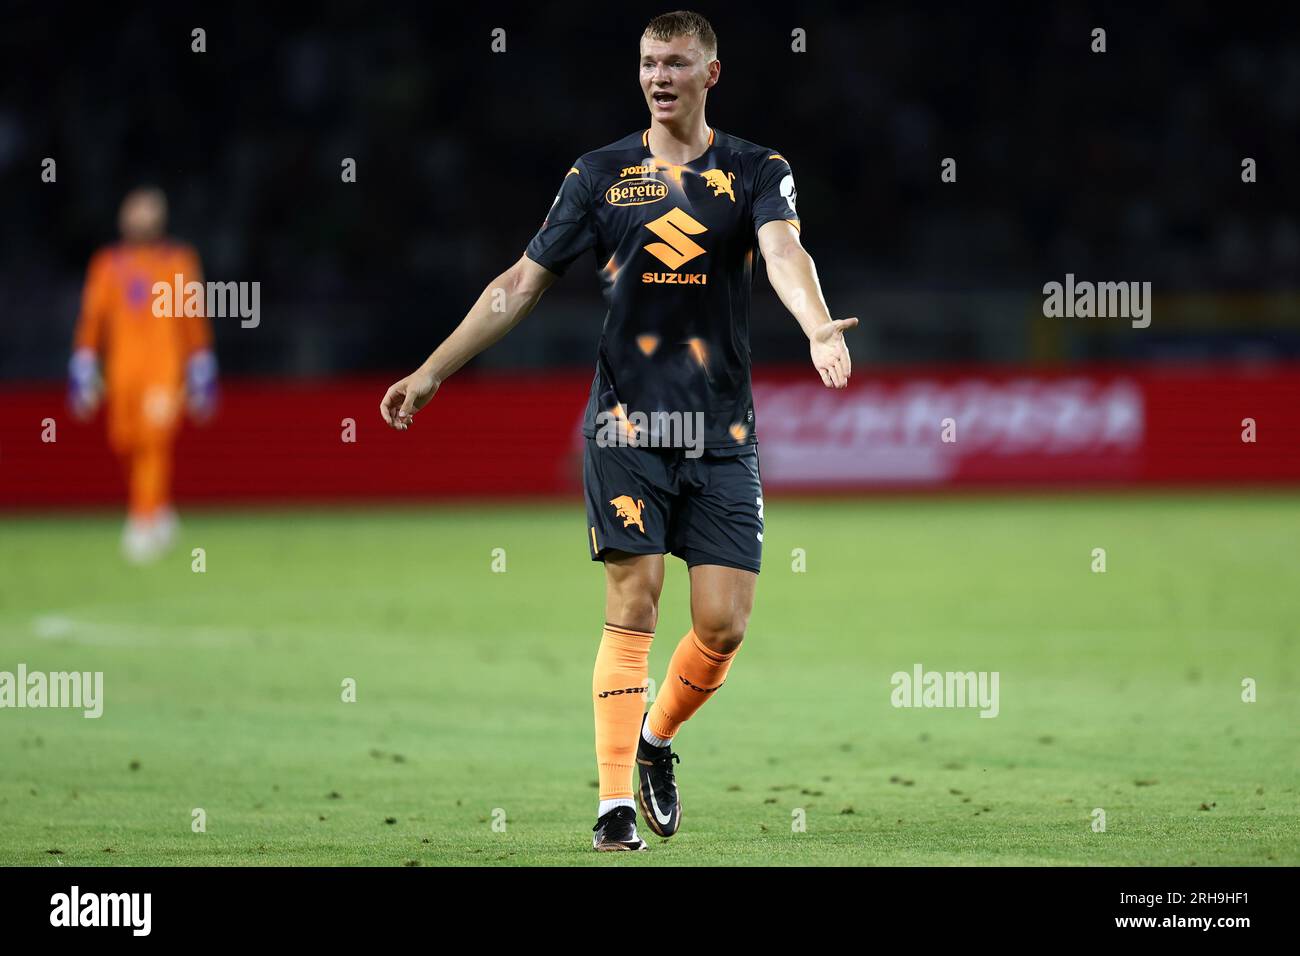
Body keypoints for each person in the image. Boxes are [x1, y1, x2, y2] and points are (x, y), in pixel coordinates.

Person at [380, 11, 855, 850]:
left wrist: (816, 325)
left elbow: (785, 253)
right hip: (625, 429)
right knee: (632, 600)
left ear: (712, 74)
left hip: (720, 434)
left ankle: (656, 739)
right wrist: (431, 370)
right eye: (647, 63)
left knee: (723, 625)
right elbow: (519, 284)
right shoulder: (599, 176)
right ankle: (611, 807)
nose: (659, 76)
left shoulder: (755, 169)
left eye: (676, 63)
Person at [70, 186, 217, 563]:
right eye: (136, 210)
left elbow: (192, 317)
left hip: (164, 371)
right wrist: (83, 364)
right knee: (126, 442)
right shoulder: (107, 264)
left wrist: (201, 365)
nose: (141, 217)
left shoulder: (177, 261)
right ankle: (160, 509)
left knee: (154, 442)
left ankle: (143, 521)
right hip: (122, 373)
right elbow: (93, 318)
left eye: (149, 211)